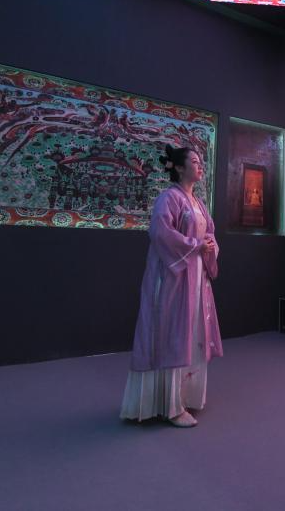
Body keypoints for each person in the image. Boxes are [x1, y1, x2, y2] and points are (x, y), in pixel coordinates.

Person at [120, 144, 223, 428]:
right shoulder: (168, 198)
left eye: (200, 161)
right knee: (173, 333)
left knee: (191, 333)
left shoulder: (198, 203)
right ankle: (170, 406)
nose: (200, 165)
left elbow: (209, 233)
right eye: (194, 161)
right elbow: (160, 232)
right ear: (178, 167)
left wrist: (209, 245)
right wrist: (195, 245)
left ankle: (186, 397)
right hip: (173, 280)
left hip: (197, 279)